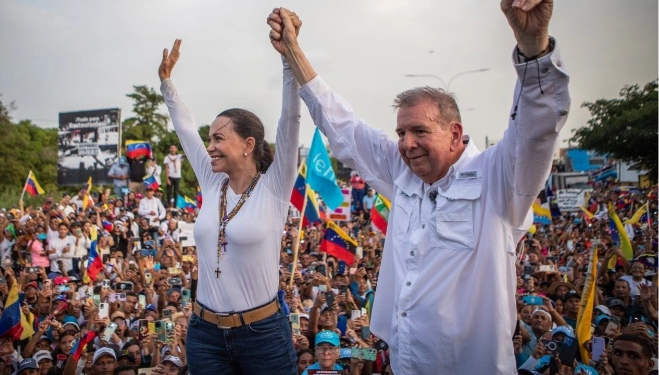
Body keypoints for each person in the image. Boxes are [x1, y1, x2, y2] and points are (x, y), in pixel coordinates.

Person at [267, 0, 570, 373]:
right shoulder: (401, 171)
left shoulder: (499, 178)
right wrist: (294, 52)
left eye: (420, 131)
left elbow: (536, 130)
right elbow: (341, 125)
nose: (407, 144)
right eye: (401, 132)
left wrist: (534, 48)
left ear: (455, 133)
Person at [157, 36, 300, 374]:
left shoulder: (274, 187)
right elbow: (185, 128)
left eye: (219, 138)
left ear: (248, 144)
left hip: (262, 336)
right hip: (205, 335)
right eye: (210, 139)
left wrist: (287, 60)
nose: (210, 147)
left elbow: (290, 121)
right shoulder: (211, 181)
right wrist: (167, 83)